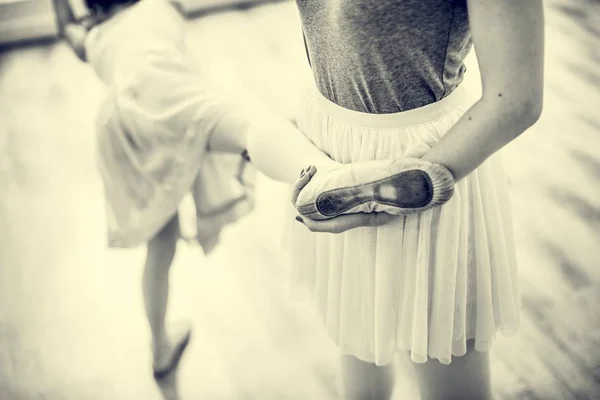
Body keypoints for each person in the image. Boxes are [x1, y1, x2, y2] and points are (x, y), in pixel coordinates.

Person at [53, 0, 340, 381]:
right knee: (249, 128)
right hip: (172, 96)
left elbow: (64, 27)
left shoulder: (92, 38)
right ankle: (328, 176)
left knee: (161, 241)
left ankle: (159, 348)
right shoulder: (161, 6)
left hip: (124, 127)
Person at [285, 1, 545, 399]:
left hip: (424, 163)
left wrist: (375, 189)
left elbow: (516, 98)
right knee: (358, 346)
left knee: (447, 376)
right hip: (332, 148)